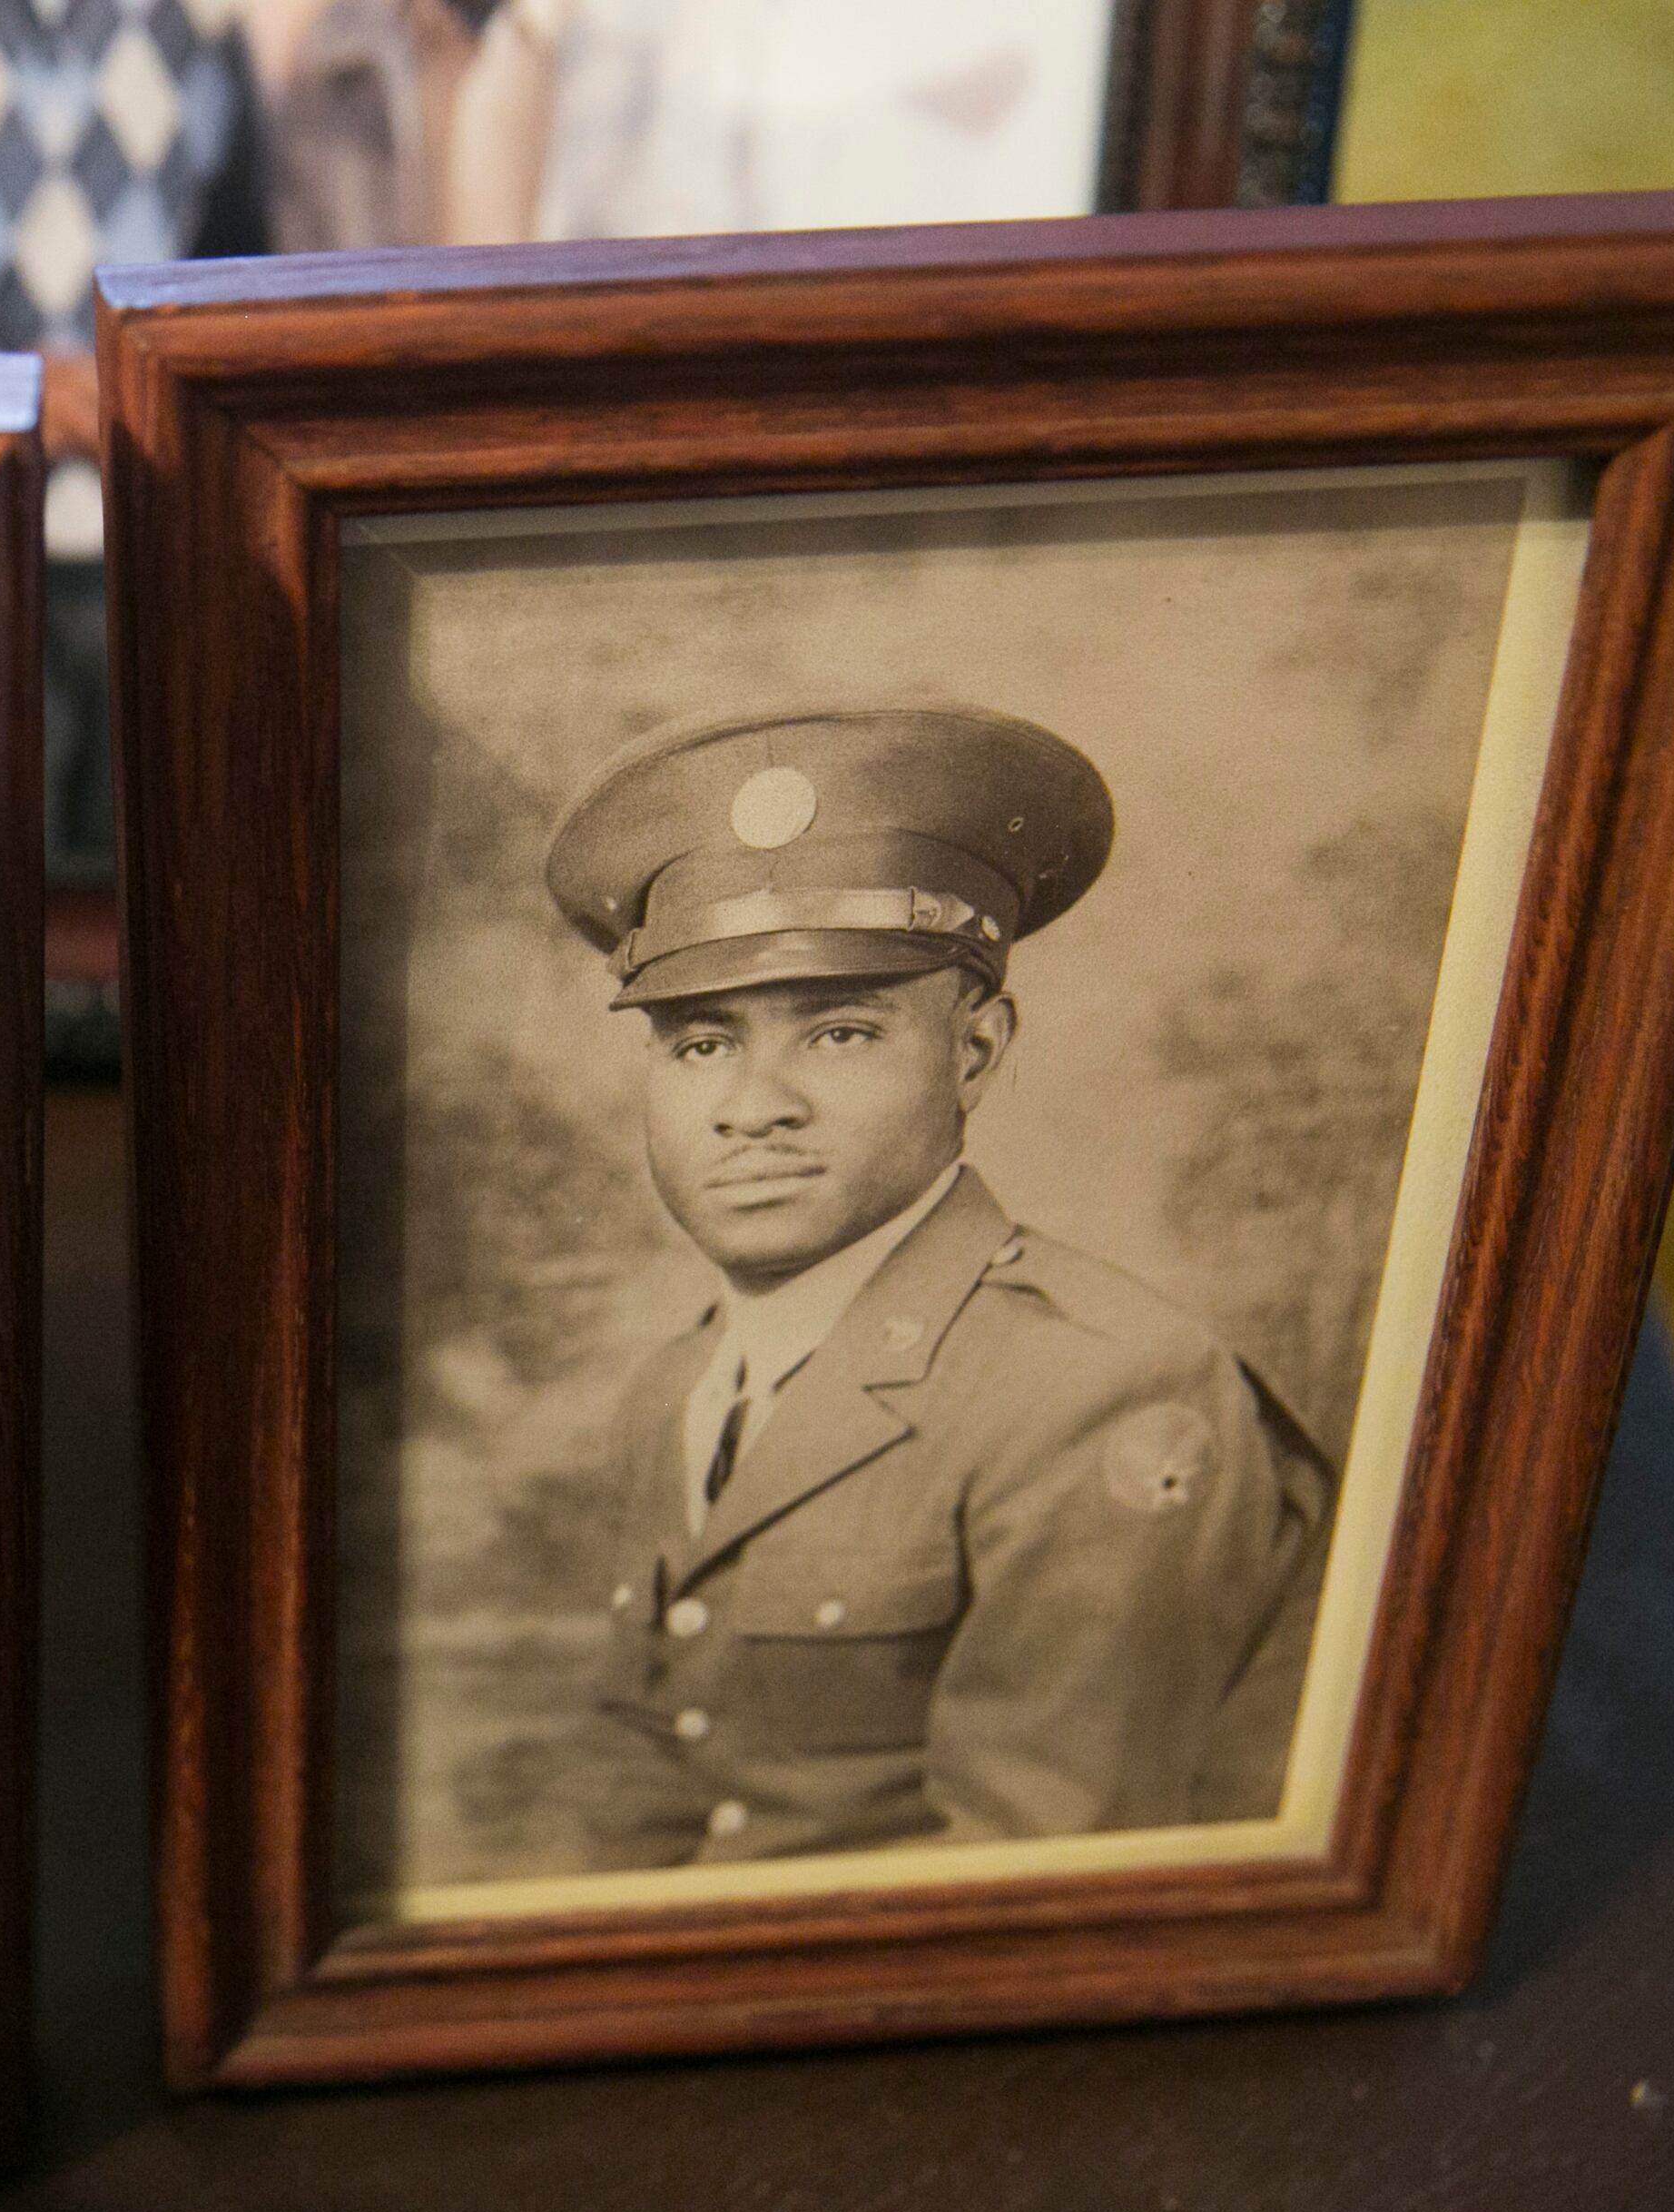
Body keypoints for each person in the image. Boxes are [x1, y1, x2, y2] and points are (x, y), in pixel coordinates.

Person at [541, 706, 1332, 1866]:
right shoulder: (675, 1391)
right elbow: (634, 1802)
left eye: (840, 1035)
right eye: (702, 1045)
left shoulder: (1099, 1389)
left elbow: (1031, 1890)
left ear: (976, 1053)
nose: (754, 1107)